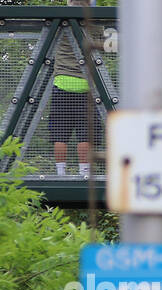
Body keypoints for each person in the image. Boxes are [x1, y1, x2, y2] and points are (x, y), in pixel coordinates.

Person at [50, 0, 105, 177]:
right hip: (86, 86)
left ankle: (61, 172)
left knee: (60, 133)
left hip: (62, 83)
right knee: (85, 134)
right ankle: (85, 173)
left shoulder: (60, 21)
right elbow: (105, 47)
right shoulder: (96, 25)